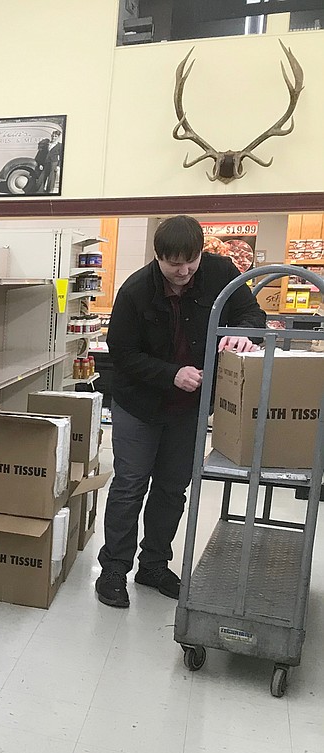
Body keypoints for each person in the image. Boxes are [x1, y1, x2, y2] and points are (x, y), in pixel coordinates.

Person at [96, 215, 266, 608]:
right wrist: (171, 374)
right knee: (130, 486)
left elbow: (252, 314)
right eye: (174, 264)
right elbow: (122, 354)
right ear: (158, 257)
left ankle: (153, 565)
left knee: (172, 489)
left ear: (200, 254)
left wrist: (244, 332)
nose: (184, 271)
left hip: (189, 410)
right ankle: (114, 571)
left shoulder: (221, 271)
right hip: (139, 404)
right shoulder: (136, 290)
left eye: (190, 262)